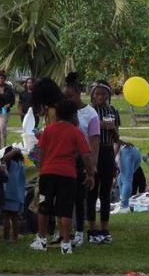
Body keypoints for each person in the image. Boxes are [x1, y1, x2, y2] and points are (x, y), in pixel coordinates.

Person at [29, 99, 95, 254]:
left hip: (47, 174)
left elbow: (40, 153)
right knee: (65, 209)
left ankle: (42, 240)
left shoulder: (48, 130)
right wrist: (90, 174)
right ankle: (66, 244)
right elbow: (86, 155)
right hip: (68, 175)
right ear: (73, 116)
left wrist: (41, 168)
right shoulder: (75, 132)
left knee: (43, 206)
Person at [63, 72, 100, 245]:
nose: (68, 99)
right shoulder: (63, 112)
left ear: (78, 94)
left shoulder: (90, 114)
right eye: (65, 96)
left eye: (70, 96)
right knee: (65, 198)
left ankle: (79, 231)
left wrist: (92, 166)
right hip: (66, 161)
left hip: (82, 162)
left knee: (80, 198)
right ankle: (65, 231)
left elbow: (94, 143)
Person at [87, 80, 119, 244]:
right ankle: (91, 229)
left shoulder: (112, 111)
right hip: (92, 152)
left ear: (108, 96)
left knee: (105, 193)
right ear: (92, 95)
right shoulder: (88, 111)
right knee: (91, 192)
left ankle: (104, 228)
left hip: (107, 151)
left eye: (103, 94)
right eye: (97, 94)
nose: (100, 97)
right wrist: (99, 124)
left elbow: (117, 138)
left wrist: (113, 129)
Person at [2, 146, 26, 242]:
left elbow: (5, 158)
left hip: (9, 194)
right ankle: (15, 238)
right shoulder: (21, 165)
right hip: (18, 195)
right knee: (15, 218)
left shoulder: (10, 164)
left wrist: (14, 151)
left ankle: (6, 237)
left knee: (7, 217)